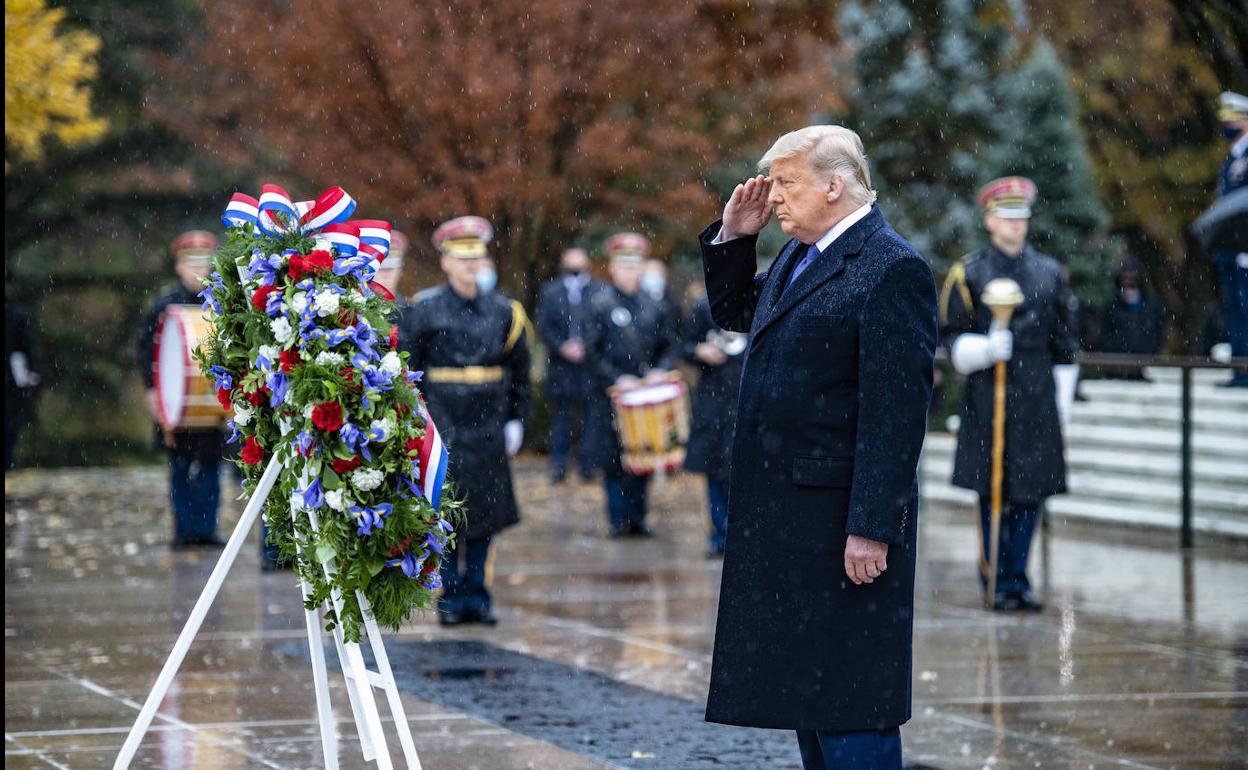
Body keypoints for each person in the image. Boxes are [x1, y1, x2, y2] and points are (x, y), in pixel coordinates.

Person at [699, 125, 936, 770]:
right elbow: (736, 313)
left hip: (840, 526)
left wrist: (871, 527)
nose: (773, 197)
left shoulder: (890, 268)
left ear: (834, 185)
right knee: (811, 702)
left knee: (853, 706)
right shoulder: (799, 255)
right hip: (792, 522)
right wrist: (736, 239)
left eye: (786, 183)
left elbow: (896, 416)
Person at [941, 176, 1079, 612]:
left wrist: (1063, 399)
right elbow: (950, 337)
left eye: (1021, 217)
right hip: (989, 397)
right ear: (989, 220)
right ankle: (995, 575)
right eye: (1006, 216)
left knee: (1029, 493)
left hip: (1036, 396)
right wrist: (982, 349)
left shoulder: (1049, 272)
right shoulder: (970, 271)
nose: (1014, 224)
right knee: (991, 489)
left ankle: (1019, 577)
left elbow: (1064, 343)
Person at [398, 216, 530, 626]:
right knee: (447, 512)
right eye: (462, 258)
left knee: (485, 516)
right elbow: (408, 370)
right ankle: (451, 597)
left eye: (477, 257)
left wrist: (516, 420)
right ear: (446, 262)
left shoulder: (505, 311)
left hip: (488, 424)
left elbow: (520, 372)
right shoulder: (424, 310)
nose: (472, 265)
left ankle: (478, 594)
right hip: (444, 423)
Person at [136, 230, 227, 549]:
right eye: (192, 263)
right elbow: (147, 353)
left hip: (213, 403)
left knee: (212, 467)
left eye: (204, 263)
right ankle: (183, 530)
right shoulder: (163, 305)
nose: (199, 270)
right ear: (178, 266)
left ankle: (206, 529)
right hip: (173, 403)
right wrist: (152, 395)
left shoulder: (222, 302)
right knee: (179, 467)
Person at [584, 232, 677, 538]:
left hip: (646, 392)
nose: (629, 271)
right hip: (611, 395)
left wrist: (660, 371)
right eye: (624, 265)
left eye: (635, 265)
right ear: (612, 267)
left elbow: (670, 345)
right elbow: (591, 352)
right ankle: (617, 519)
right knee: (613, 459)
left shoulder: (655, 305)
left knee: (644, 455)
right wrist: (614, 378)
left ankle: (638, 517)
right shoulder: (599, 304)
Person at [681, 292, 745, 558]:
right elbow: (683, 345)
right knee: (716, 470)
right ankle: (720, 535)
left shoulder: (762, 296)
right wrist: (698, 351)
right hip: (714, 400)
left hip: (746, 396)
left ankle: (742, 536)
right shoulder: (703, 306)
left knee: (744, 471)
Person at [536, 246, 602, 483]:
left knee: (590, 418)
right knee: (560, 418)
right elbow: (543, 324)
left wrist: (586, 345)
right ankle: (558, 466)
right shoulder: (550, 291)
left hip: (589, 366)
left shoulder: (599, 290)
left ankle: (588, 465)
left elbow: (601, 325)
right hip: (560, 366)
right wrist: (562, 346)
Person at [1213, 91, 1248, 386]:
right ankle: (1239, 369)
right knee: (1235, 311)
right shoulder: (1231, 160)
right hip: (1230, 248)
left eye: (1234, 118)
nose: (1228, 124)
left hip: (1245, 248)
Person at [1098, 258, 1166, 379]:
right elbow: (1104, 334)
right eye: (1125, 279)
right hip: (1117, 367)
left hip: (1144, 367)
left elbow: (1157, 334)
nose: (1128, 283)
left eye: (1133, 279)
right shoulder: (1112, 306)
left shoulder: (1152, 305)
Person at [5, 300, 40, 469]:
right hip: (11, 386)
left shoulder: (17, 317)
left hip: (11, 386)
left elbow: (26, 350)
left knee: (9, 434)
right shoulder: (17, 316)